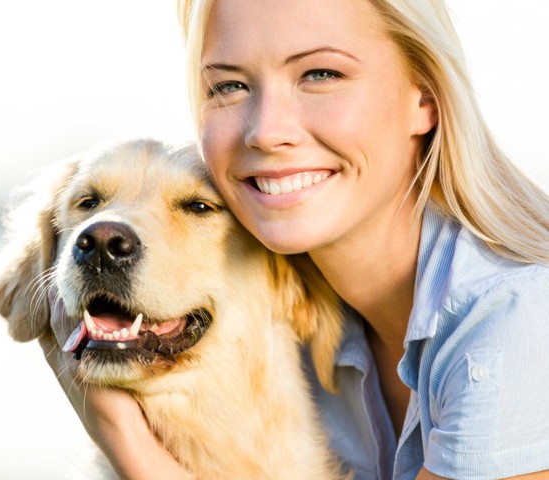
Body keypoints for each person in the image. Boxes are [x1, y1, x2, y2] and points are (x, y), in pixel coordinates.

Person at [41, 0, 549, 478]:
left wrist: (122, 436)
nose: (266, 131)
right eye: (230, 86)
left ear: (426, 99)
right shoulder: (277, 301)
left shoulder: (519, 319)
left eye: (320, 74)